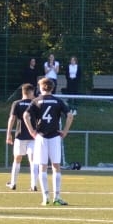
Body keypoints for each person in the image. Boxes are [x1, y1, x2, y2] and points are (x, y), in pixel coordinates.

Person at [24, 77, 75, 206]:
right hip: (54, 136)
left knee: (42, 167)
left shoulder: (36, 101)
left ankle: (45, 197)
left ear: (41, 88)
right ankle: (57, 197)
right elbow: (70, 116)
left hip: (41, 136)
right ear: (52, 88)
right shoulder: (58, 101)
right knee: (56, 166)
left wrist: (32, 131)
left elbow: (26, 115)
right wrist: (65, 131)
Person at [5, 82, 37, 192]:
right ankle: (33, 185)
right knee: (33, 160)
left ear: (23, 92)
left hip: (20, 135)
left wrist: (8, 133)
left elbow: (12, 119)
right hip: (33, 136)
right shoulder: (35, 103)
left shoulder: (17, 103)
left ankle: (13, 183)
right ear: (31, 92)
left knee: (17, 159)